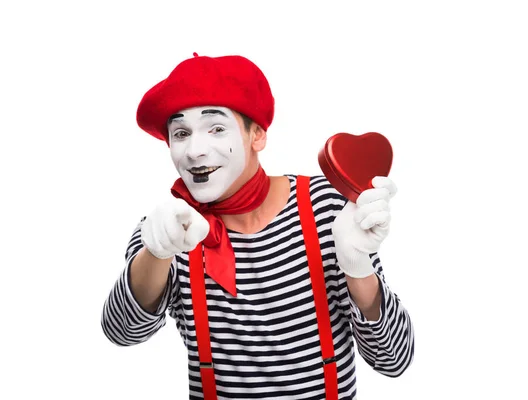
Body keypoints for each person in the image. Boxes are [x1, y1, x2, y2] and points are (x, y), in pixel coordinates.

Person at [101, 53, 414, 400]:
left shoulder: (326, 208)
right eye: (181, 133)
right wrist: (159, 251)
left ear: (258, 136)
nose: (194, 151)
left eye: (216, 128)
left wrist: (359, 269)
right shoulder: (167, 228)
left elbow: (394, 359)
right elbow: (121, 332)